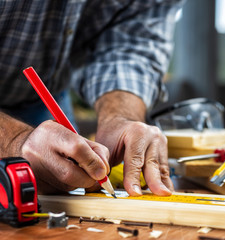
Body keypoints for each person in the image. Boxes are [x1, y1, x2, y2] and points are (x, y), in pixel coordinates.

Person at [0, 0, 184, 196]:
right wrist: (14, 141)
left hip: (45, 102)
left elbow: (132, 42)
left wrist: (120, 117)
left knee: (70, 176)